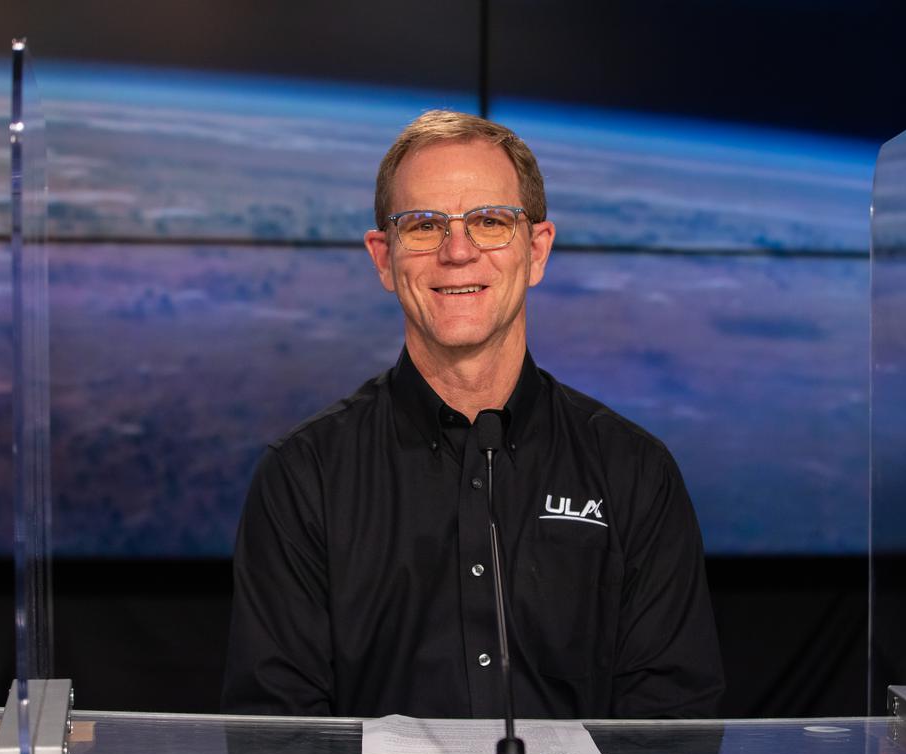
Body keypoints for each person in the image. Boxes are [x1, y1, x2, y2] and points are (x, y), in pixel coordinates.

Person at [221, 110, 724, 719]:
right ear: (383, 258)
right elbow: (277, 749)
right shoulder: (304, 479)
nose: (458, 252)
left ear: (536, 251)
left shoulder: (635, 474)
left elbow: (673, 740)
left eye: (490, 221)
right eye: (424, 225)